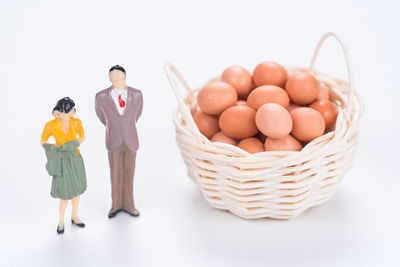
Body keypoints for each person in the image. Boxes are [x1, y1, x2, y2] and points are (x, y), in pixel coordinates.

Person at [95, 65, 143, 219]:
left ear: (125, 77)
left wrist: (126, 126)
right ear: (110, 79)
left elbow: (137, 114)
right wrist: (114, 127)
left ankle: (129, 205)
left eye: (119, 78)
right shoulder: (101, 97)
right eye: (113, 79)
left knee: (130, 173)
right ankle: (115, 205)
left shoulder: (137, 95)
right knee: (114, 173)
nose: (117, 81)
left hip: (130, 139)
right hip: (113, 139)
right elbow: (101, 116)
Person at [40, 97, 87, 234]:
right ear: (61, 112)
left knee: (77, 192)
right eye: (70, 110)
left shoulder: (76, 122)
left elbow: (82, 137)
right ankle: (61, 221)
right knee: (65, 194)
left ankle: (74, 216)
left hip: (75, 157)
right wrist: (56, 146)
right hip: (61, 160)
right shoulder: (51, 125)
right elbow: (42, 142)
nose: (73, 111)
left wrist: (73, 143)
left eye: (73, 109)